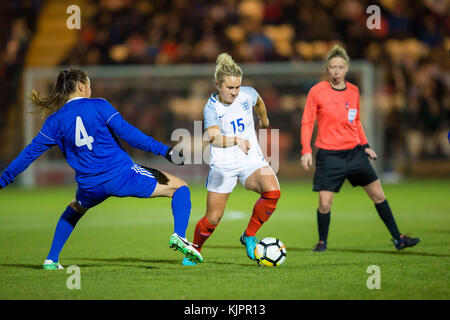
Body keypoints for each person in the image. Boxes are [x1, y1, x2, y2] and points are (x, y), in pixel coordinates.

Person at [0, 69, 203, 269]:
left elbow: (28, 154)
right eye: (89, 85)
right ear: (81, 86)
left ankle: (51, 259)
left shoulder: (55, 121)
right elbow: (128, 133)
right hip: (122, 175)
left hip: (90, 186)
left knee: (75, 208)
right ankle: (180, 236)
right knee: (180, 187)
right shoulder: (99, 105)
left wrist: (3, 180)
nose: (90, 89)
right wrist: (164, 150)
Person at [300, 45, 421, 252]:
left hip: (354, 153)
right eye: (332, 67)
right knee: (325, 203)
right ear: (327, 70)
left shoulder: (354, 91)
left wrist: (365, 145)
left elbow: (355, 121)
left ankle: (398, 238)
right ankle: (322, 243)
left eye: (340, 67)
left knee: (378, 195)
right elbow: (307, 122)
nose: (336, 71)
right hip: (329, 156)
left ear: (347, 68)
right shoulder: (317, 91)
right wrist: (306, 150)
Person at [182, 53, 281, 266]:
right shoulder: (211, 107)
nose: (235, 93)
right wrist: (236, 139)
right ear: (218, 85)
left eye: (237, 87)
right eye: (230, 88)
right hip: (223, 164)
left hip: (250, 158)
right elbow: (215, 138)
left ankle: (249, 235)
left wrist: (264, 120)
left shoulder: (248, 94)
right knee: (213, 217)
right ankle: (195, 249)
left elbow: (259, 102)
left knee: (273, 192)